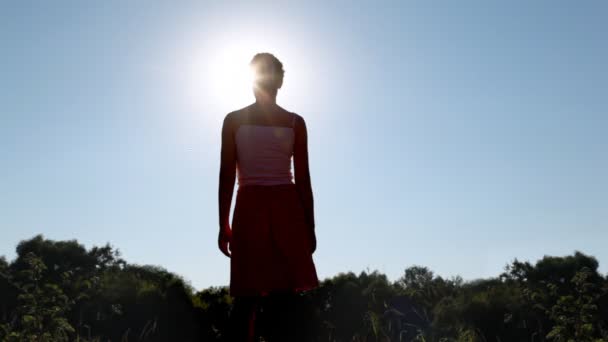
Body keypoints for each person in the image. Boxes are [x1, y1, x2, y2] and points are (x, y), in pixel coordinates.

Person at [218, 53, 319, 341]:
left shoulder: (235, 121)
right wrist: (309, 227)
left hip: (254, 207)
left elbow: (226, 176)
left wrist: (223, 223)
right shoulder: (292, 122)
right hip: (281, 208)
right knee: (278, 297)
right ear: (279, 81)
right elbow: (304, 182)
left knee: (250, 297)